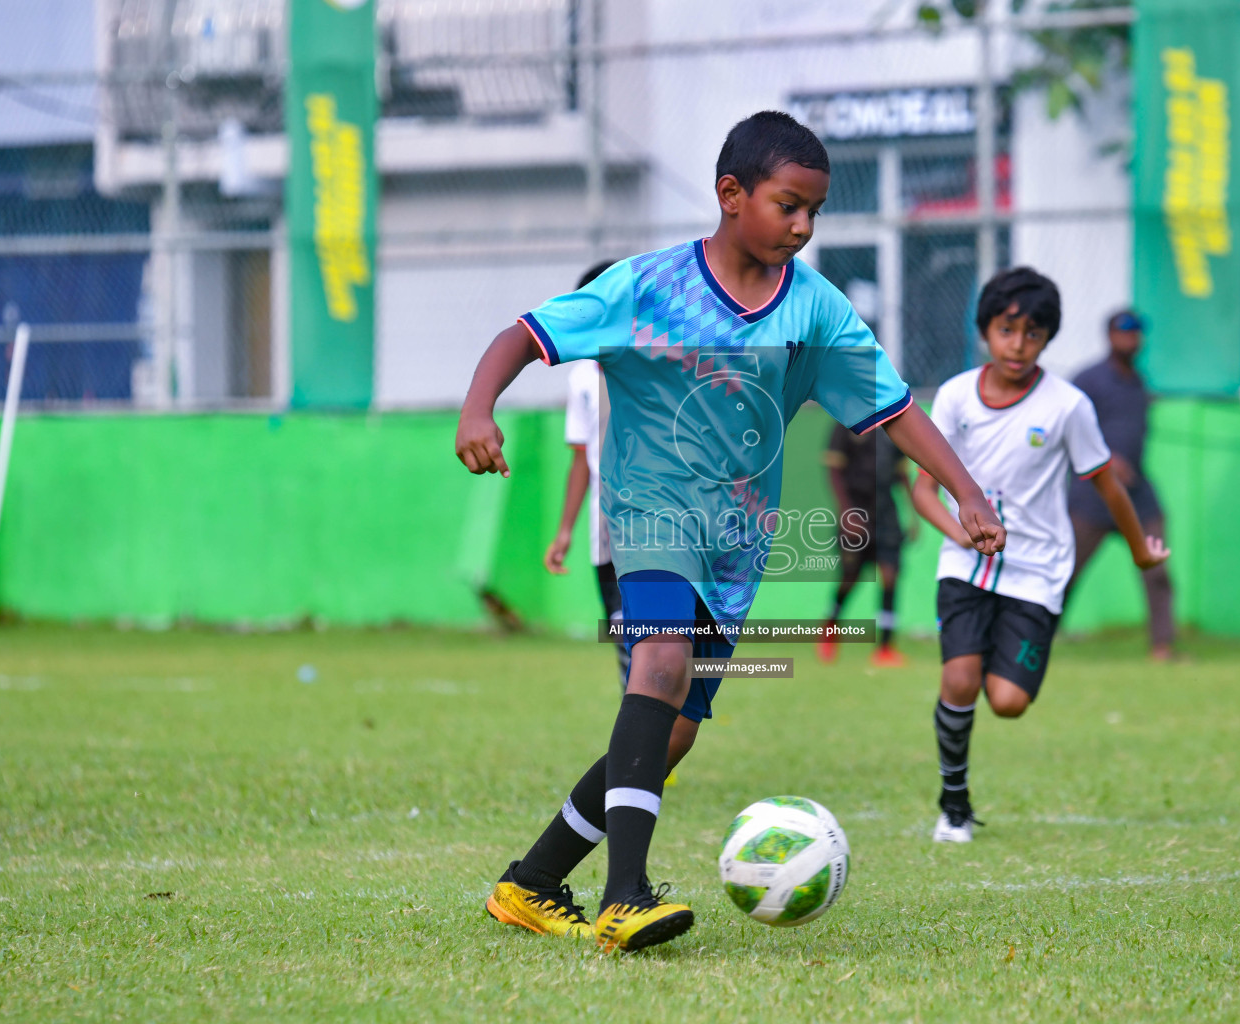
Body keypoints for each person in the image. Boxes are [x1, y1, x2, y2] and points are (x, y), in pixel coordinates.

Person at [455, 110, 1006, 951]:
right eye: (789, 205)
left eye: (814, 211)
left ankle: (530, 882)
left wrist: (965, 490)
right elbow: (524, 336)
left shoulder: (814, 309)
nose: (803, 226)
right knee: (660, 660)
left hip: (737, 546)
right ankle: (625, 896)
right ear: (730, 194)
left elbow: (892, 408)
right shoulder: (647, 287)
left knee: (669, 734)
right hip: (650, 512)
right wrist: (476, 407)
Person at [913, 267, 1169, 844]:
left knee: (1006, 702)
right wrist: (957, 535)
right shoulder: (954, 396)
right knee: (958, 679)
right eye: (1007, 330)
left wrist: (1140, 553)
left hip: (1037, 572)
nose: (1018, 344)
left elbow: (1108, 486)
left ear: (1047, 339)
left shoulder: (1067, 406)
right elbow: (923, 490)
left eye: (1032, 333)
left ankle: (989, 666)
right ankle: (953, 804)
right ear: (986, 331)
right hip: (966, 567)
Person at [1065, 310, 1177, 660]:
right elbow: (1064, 429)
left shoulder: (1139, 383)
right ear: (1109, 336)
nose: (1129, 339)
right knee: (1063, 575)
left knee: (1157, 569)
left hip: (1138, 496)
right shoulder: (1088, 380)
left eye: (1135, 333)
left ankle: (1162, 646)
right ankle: (1031, 640)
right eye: (1122, 332)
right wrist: (1106, 460)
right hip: (1092, 498)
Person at [544, 260, 631, 690]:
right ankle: (641, 732)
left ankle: (652, 728)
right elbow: (581, 459)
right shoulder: (580, 377)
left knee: (659, 635)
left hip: (661, 522)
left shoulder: (657, 368)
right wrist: (565, 531)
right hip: (606, 527)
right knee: (623, 631)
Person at [817, 423, 913, 667]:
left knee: (890, 576)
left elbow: (902, 474)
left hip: (887, 515)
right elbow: (834, 471)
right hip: (856, 512)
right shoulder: (847, 422)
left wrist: (913, 513)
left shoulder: (895, 423)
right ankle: (830, 626)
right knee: (850, 577)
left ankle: (885, 647)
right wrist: (846, 513)